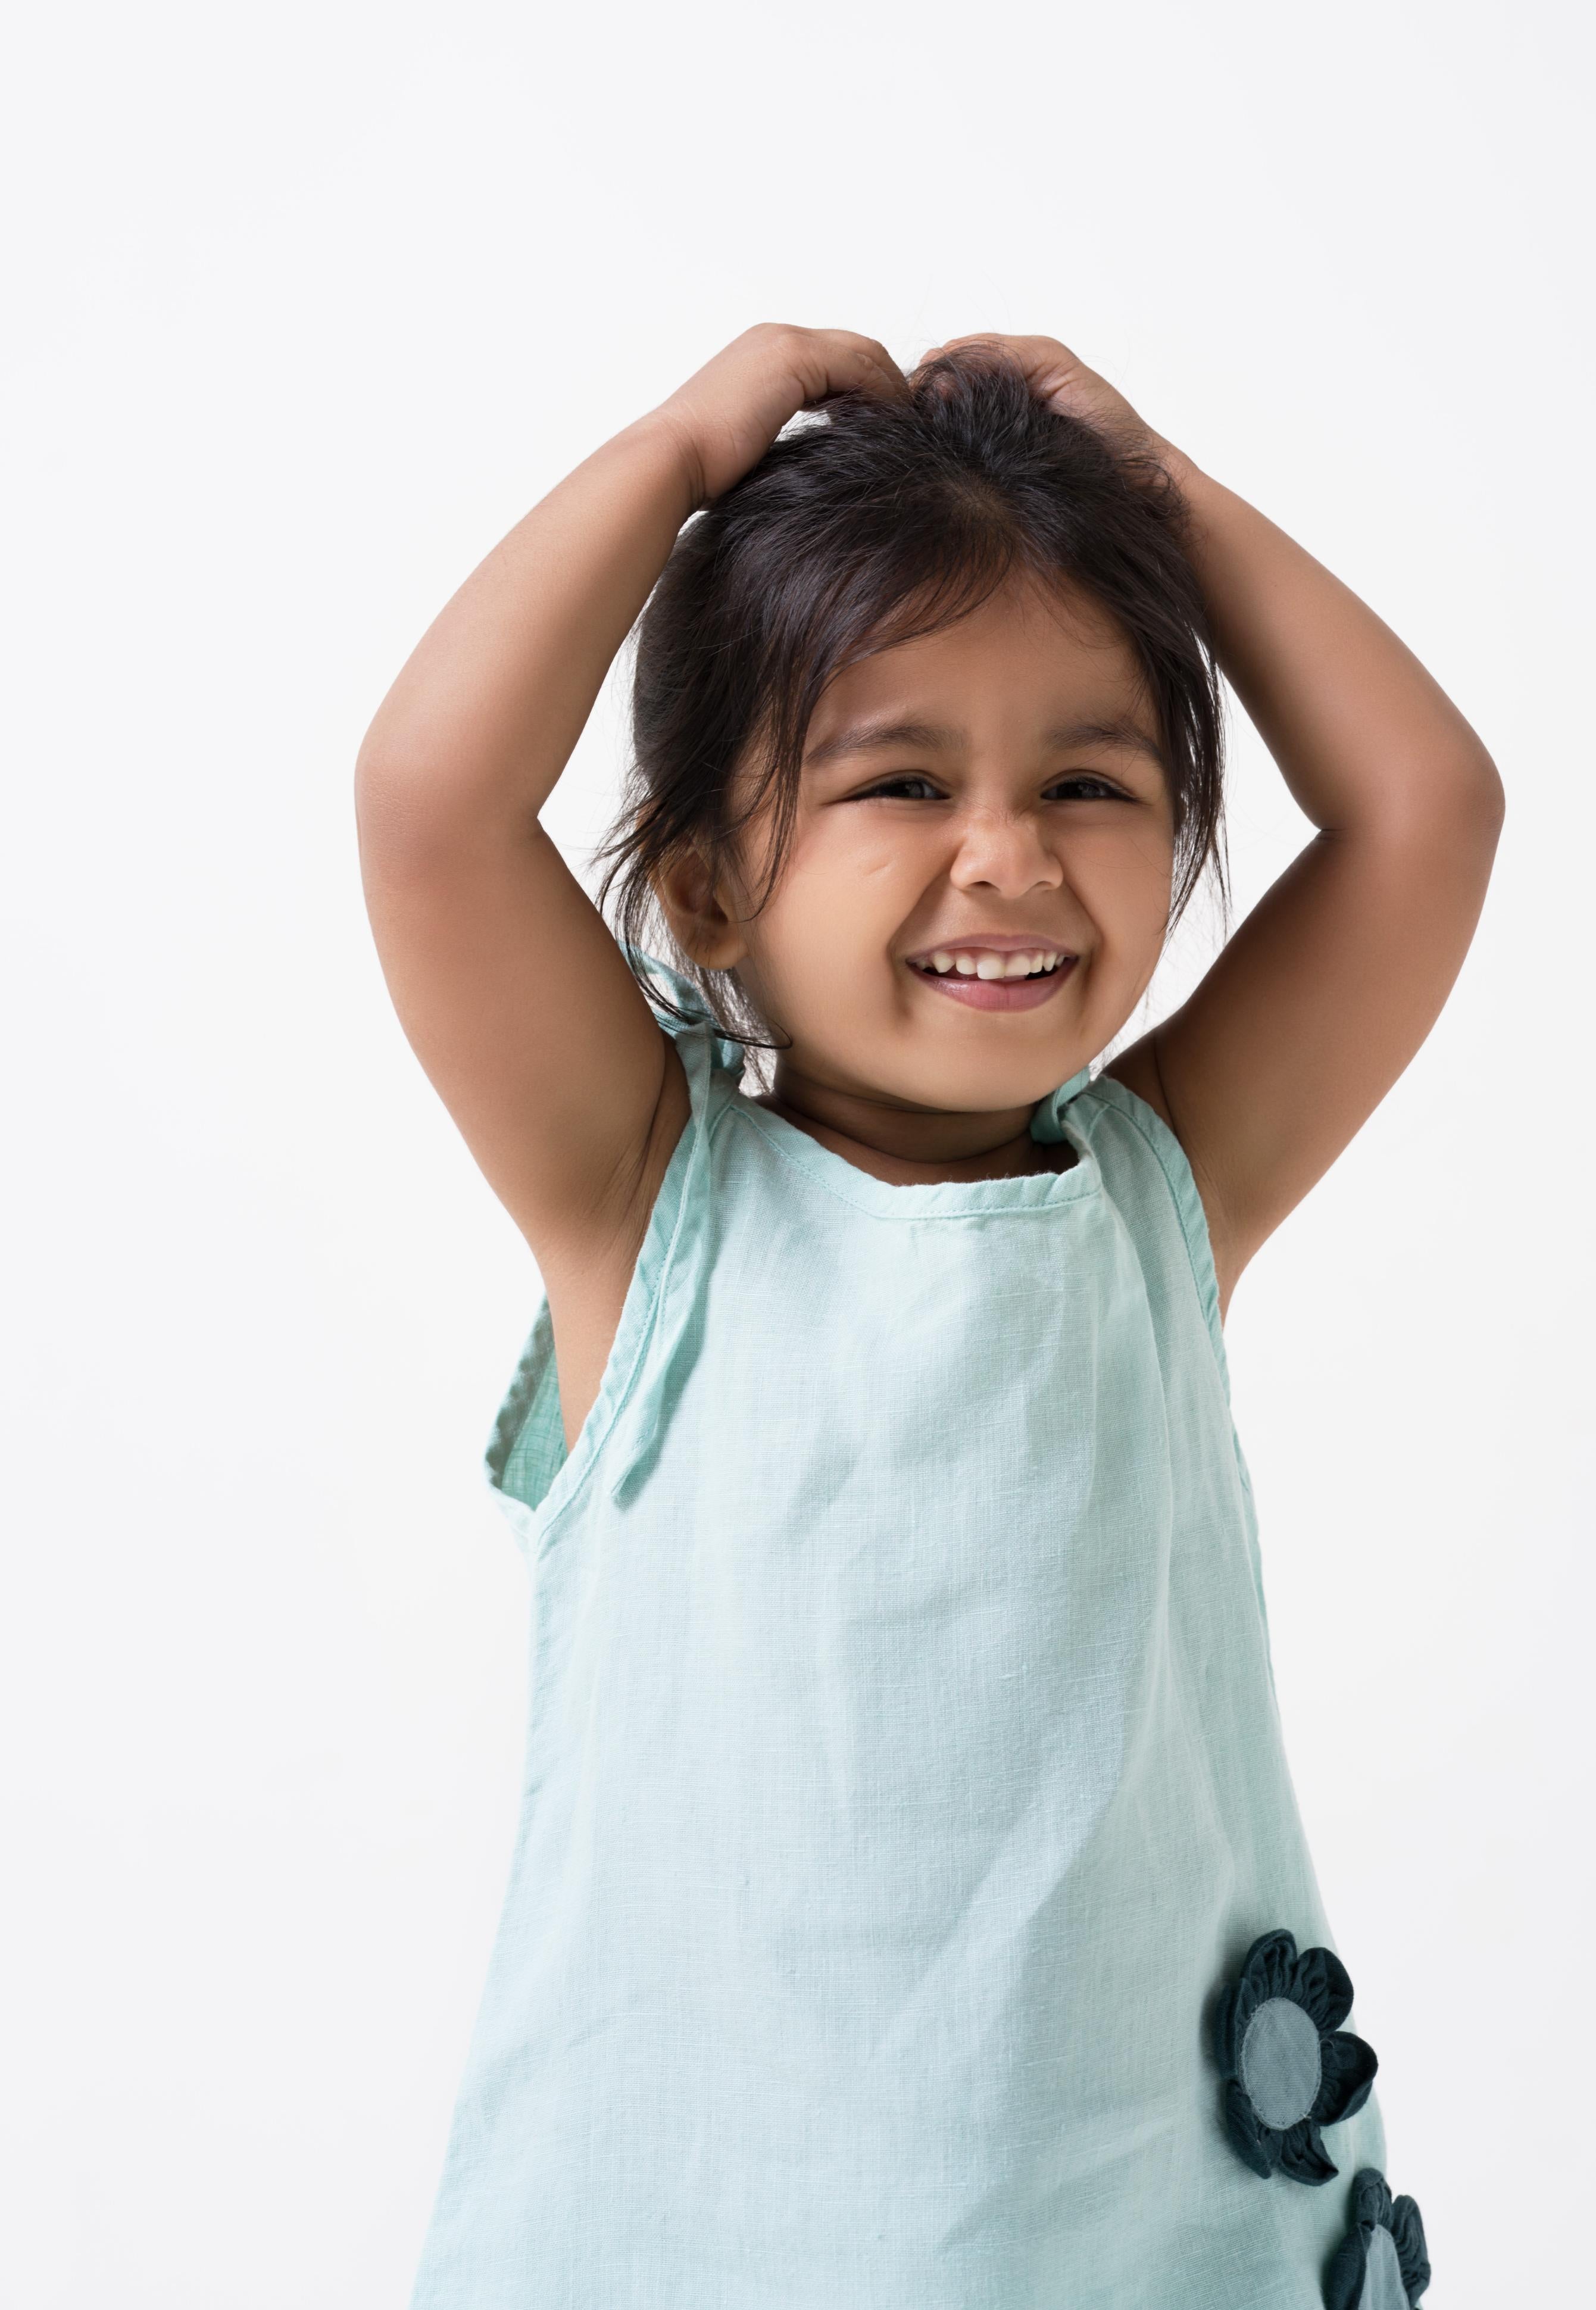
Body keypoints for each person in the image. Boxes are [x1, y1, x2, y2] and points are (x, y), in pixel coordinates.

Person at [357, 324, 1503, 2310]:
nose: (1010, 854)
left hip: (1143, 2240)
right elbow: (431, 803)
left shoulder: (1162, 1193)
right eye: (900, 779)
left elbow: (1425, 809)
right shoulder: (648, 1208)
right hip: (717, 2243)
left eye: (1089, 780)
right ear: (706, 889)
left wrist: (1159, 496)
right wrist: (677, 448)